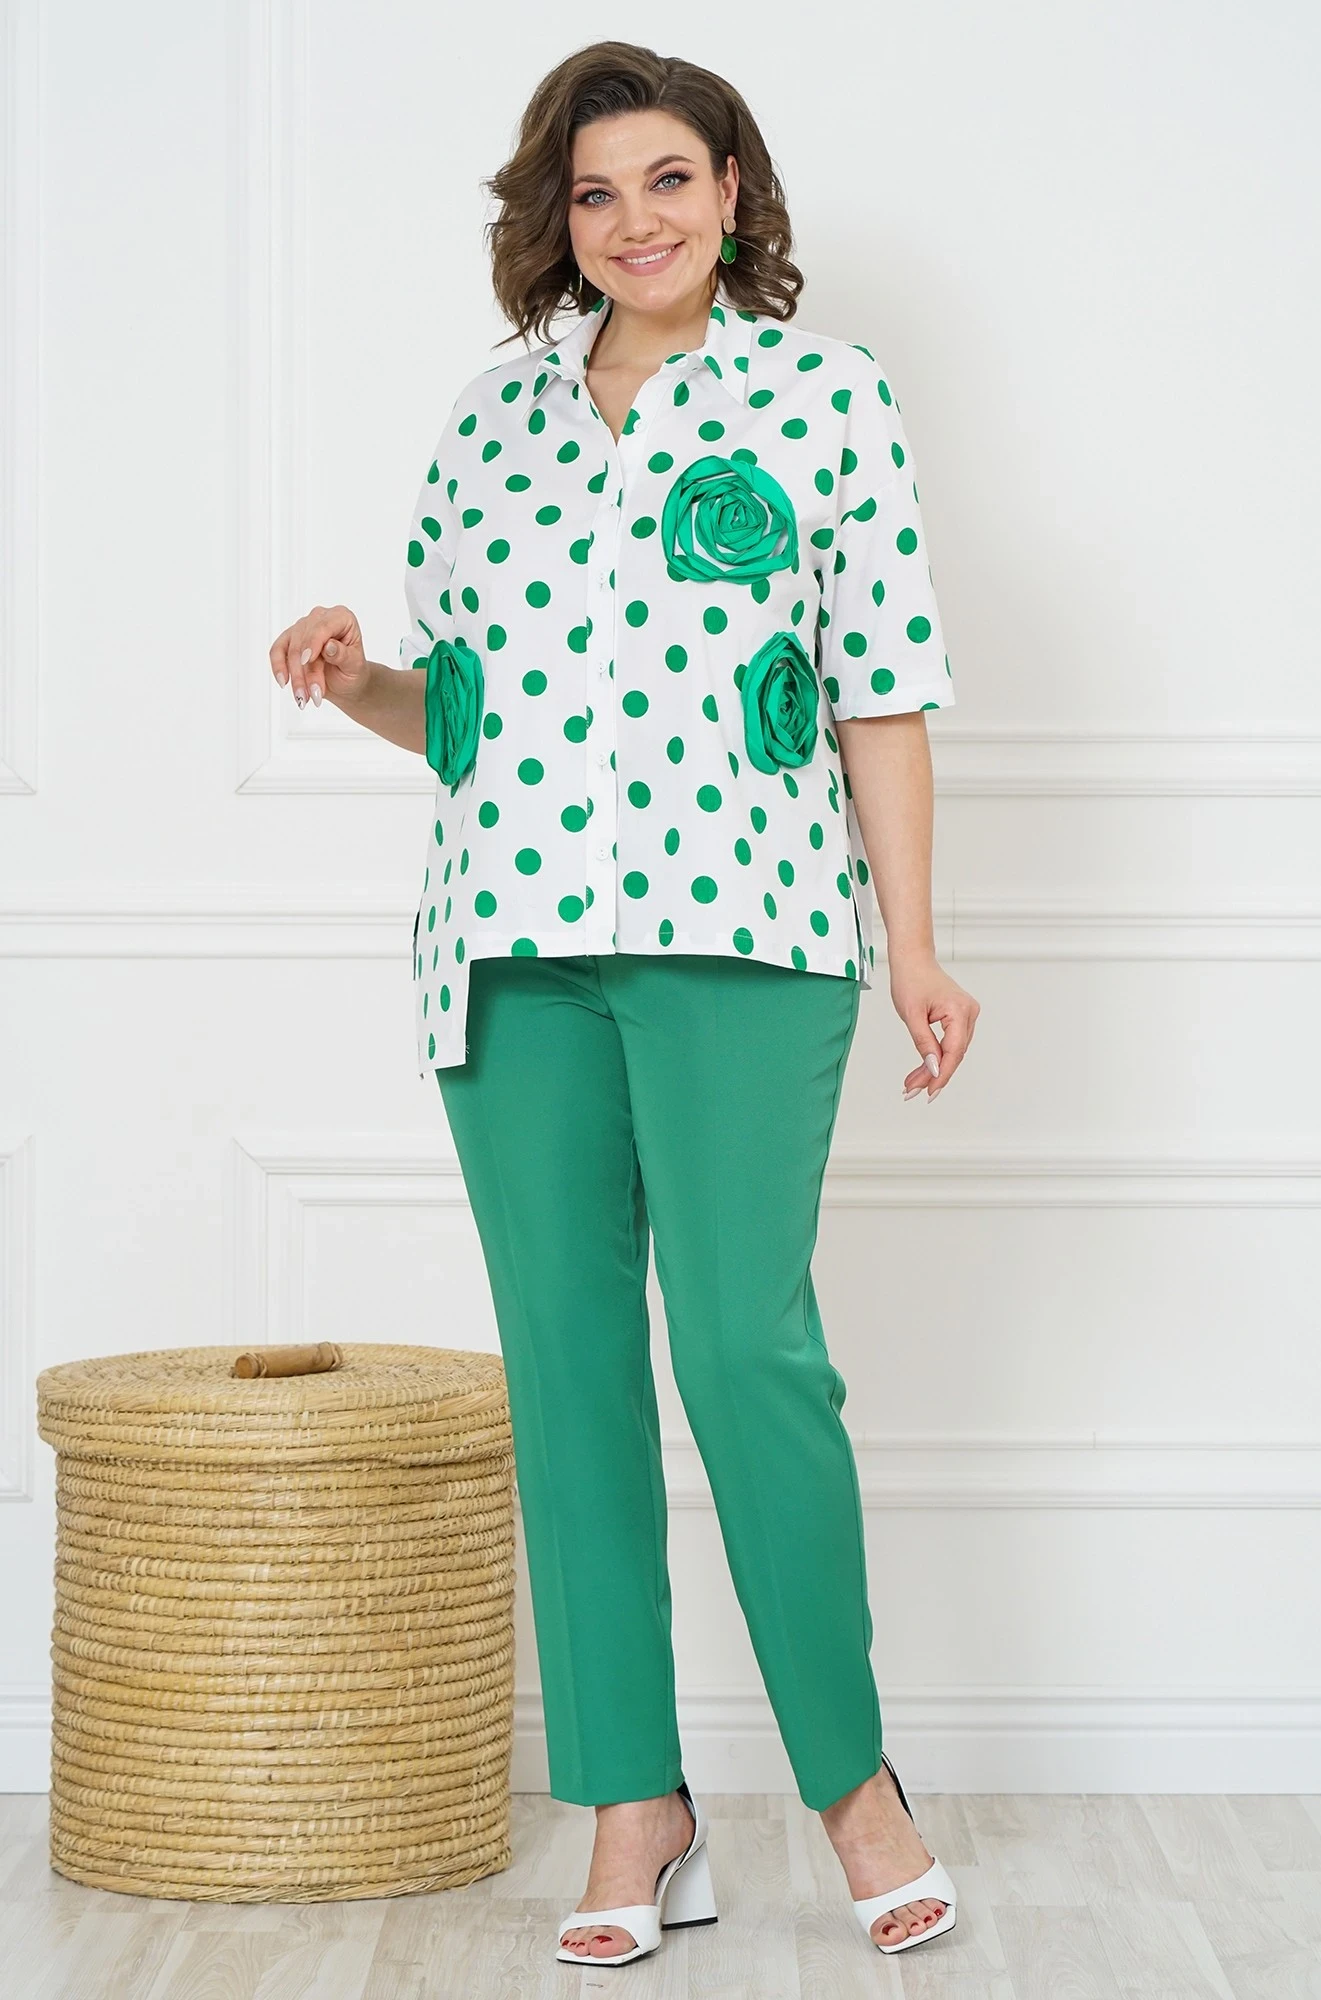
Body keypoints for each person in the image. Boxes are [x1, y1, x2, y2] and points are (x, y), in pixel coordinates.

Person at [269, 39, 980, 1969]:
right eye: (595, 193)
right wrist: (355, 679)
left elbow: (880, 692)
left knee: (747, 1357)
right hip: (509, 947)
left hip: (748, 930)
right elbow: (465, 714)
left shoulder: (827, 399)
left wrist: (916, 947)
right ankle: (631, 1806)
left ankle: (854, 1787)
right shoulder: (490, 418)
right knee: (569, 1377)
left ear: (732, 195)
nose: (634, 220)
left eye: (669, 180)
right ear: (558, 220)